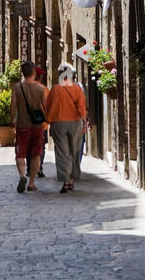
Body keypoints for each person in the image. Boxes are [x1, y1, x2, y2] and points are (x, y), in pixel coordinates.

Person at [46, 62, 88, 192]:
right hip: (74, 122)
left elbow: (49, 107)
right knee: (74, 151)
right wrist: (84, 121)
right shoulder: (76, 89)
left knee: (62, 152)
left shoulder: (55, 89)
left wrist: (49, 122)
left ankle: (65, 181)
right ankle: (71, 180)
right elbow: (81, 106)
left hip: (58, 123)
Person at [10, 60, 49, 193]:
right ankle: (31, 183)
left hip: (22, 125)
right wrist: (48, 120)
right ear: (33, 72)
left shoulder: (17, 88)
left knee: (20, 153)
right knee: (36, 154)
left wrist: (13, 120)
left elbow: (13, 106)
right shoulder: (41, 89)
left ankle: (22, 175)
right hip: (38, 126)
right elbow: (45, 107)